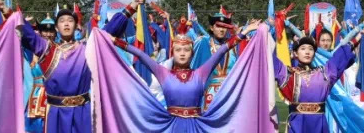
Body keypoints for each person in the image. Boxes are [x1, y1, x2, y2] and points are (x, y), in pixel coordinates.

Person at [13, 0, 134, 133]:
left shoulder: (87, 48)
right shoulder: (47, 50)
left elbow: (107, 32)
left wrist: (130, 9)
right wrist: (8, 12)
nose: (66, 23)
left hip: (82, 112)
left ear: (76, 26)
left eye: (70, 20)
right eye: (62, 21)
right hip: (56, 114)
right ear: (57, 28)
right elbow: (29, 35)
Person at [108, 19, 259, 131]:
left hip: (197, 127)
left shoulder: (201, 73)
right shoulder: (163, 73)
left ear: (192, 53)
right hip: (171, 127)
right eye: (178, 50)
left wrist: (243, 33)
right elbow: (140, 54)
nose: (182, 53)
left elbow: (222, 50)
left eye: (186, 50)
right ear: (172, 52)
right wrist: (114, 40)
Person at [273, 31, 360, 133]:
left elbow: (339, 58)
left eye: (311, 49)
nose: (307, 52)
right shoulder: (289, 75)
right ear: (295, 53)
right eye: (303, 49)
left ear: (314, 53)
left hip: (320, 126)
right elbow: (270, 60)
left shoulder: (324, 73)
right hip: (297, 126)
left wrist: (357, 38)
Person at [24, 18, 56, 133]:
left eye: (51, 31)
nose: (48, 34)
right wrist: (21, 21)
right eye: (45, 31)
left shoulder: (59, 50)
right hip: (36, 97)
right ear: (40, 33)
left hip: (54, 95)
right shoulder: (30, 52)